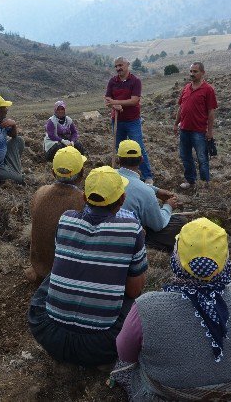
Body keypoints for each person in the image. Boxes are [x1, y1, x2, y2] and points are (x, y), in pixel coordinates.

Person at [113, 218, 231, 401]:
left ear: (176, 257)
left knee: (123, 368)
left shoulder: (146, 307)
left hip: (168, 394)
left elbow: (125, 354)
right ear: (225, 260)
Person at [28, 166, 148, 367]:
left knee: (56, 273)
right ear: (121, 199)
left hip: (48, 334)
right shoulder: (132, 230)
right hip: (102, 345)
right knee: (137, 296)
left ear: (84, 198)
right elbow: (134, 290)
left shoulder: (66, 220)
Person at [26, 146, 87, 282]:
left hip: (38, 269)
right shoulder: (83, 202)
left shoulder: (40, 192)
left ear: (53, 172)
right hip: (64, 275)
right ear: (82, 173)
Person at [116, 140, 187, 252]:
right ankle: (146, 243)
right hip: (128, 235)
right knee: (180, 222)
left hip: (105, 224)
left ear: (118, 159)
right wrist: (168, 206)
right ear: (141, 159)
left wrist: (157, 191)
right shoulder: (145, 192)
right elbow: (158, 225)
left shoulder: (107, 174)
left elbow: (132, 182)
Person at [105, 57, 153, 184]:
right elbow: (107, 99)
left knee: (138, 147)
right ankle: (123, 175)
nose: (118, 68)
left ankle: (147, 176)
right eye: (116, 66)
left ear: (127, 65)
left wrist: (116, 102)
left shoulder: (135, 81)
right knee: (119, 148)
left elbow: (134, 100)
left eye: (120, 65)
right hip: (117, 120)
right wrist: (114, 105)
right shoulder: (112, 81)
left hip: (132, 120)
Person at [174, 62, 218, 189]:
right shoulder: (186, 88)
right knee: (185, 156)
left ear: (202, 73)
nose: (192, 74)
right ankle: (190, 181)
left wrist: (210, 132)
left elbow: (211, 112)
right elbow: (181, 107)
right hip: (184, 130)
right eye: (191, 71)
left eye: (195, 71)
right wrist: (176, 124)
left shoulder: (208, 89)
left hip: (199, 131)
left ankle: (205, 184)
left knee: (202, 158)